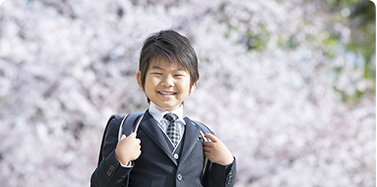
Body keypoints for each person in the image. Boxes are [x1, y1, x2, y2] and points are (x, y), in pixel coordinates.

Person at [91, 30, 236, 187]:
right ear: (141, 79)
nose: (167, 82)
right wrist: (119, 160)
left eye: (177, 75)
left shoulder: (203, 135)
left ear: (193, 83)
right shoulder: (124, 128)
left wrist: (226, 164)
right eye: (158, 73)